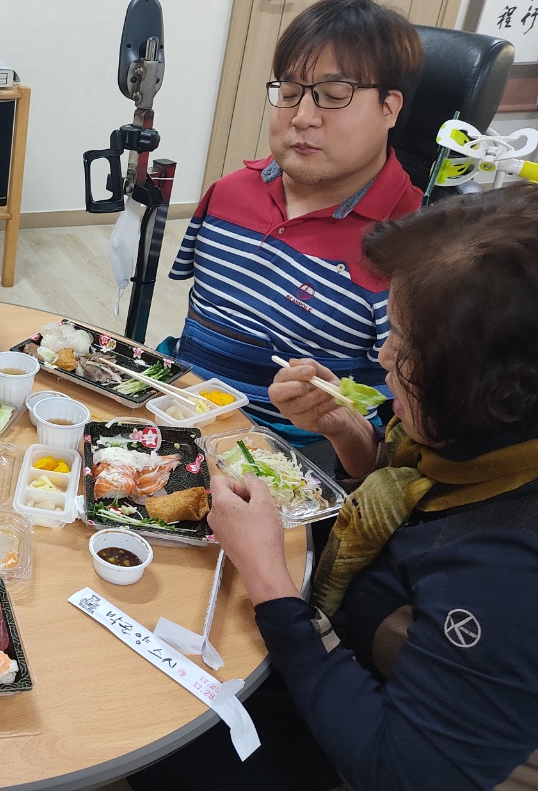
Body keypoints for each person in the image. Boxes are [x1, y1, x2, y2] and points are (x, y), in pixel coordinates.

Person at [132, 183, 538, 791]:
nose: (384, 355)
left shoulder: (509, 569)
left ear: (489, 389)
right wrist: (349, 433)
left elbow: (399, 770)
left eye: (405, 345)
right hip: (341, 649)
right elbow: (412, 501)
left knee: (159, 734)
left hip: (360, 749)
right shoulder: (477, 443)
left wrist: (268, 577)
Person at [168, 0, 424, 455]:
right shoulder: (229, 193)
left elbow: (395, 453)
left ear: (389, 107)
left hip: (295, 463)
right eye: (288, 94)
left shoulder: (413, 249)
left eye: (334, 95)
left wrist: (339, 428)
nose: (302, 117)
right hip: (176, 417)